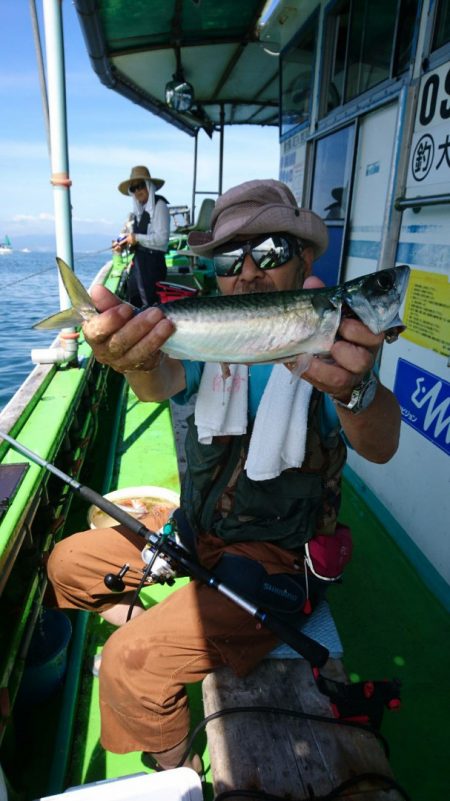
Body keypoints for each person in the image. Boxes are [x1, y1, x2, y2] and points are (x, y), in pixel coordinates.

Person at [47, 179, 401, 773]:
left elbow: (382, 440)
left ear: (305, 257)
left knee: (133, 660)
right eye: (233, 259)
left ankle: (175, 772)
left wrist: (359, 390)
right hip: (197, 532)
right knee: (68, 565)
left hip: (275, 561)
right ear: (216, 273)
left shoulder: (335, 340)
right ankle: (179, 636)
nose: (250, 272)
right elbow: (156, 383)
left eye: (270, 253)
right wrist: (132, 361)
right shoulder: (209, 341)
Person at [113, 165, 170, 307]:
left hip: (153, 266)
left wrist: (136, 238)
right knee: (135, 302)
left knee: (149, 306)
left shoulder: (160, 206)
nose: (137, 191)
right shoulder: (139, 212)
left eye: (140, 186)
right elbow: (138, 238)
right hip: (139, 264)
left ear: (148, 186)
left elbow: (162, 240)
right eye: (133, 188)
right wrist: (125, 243)